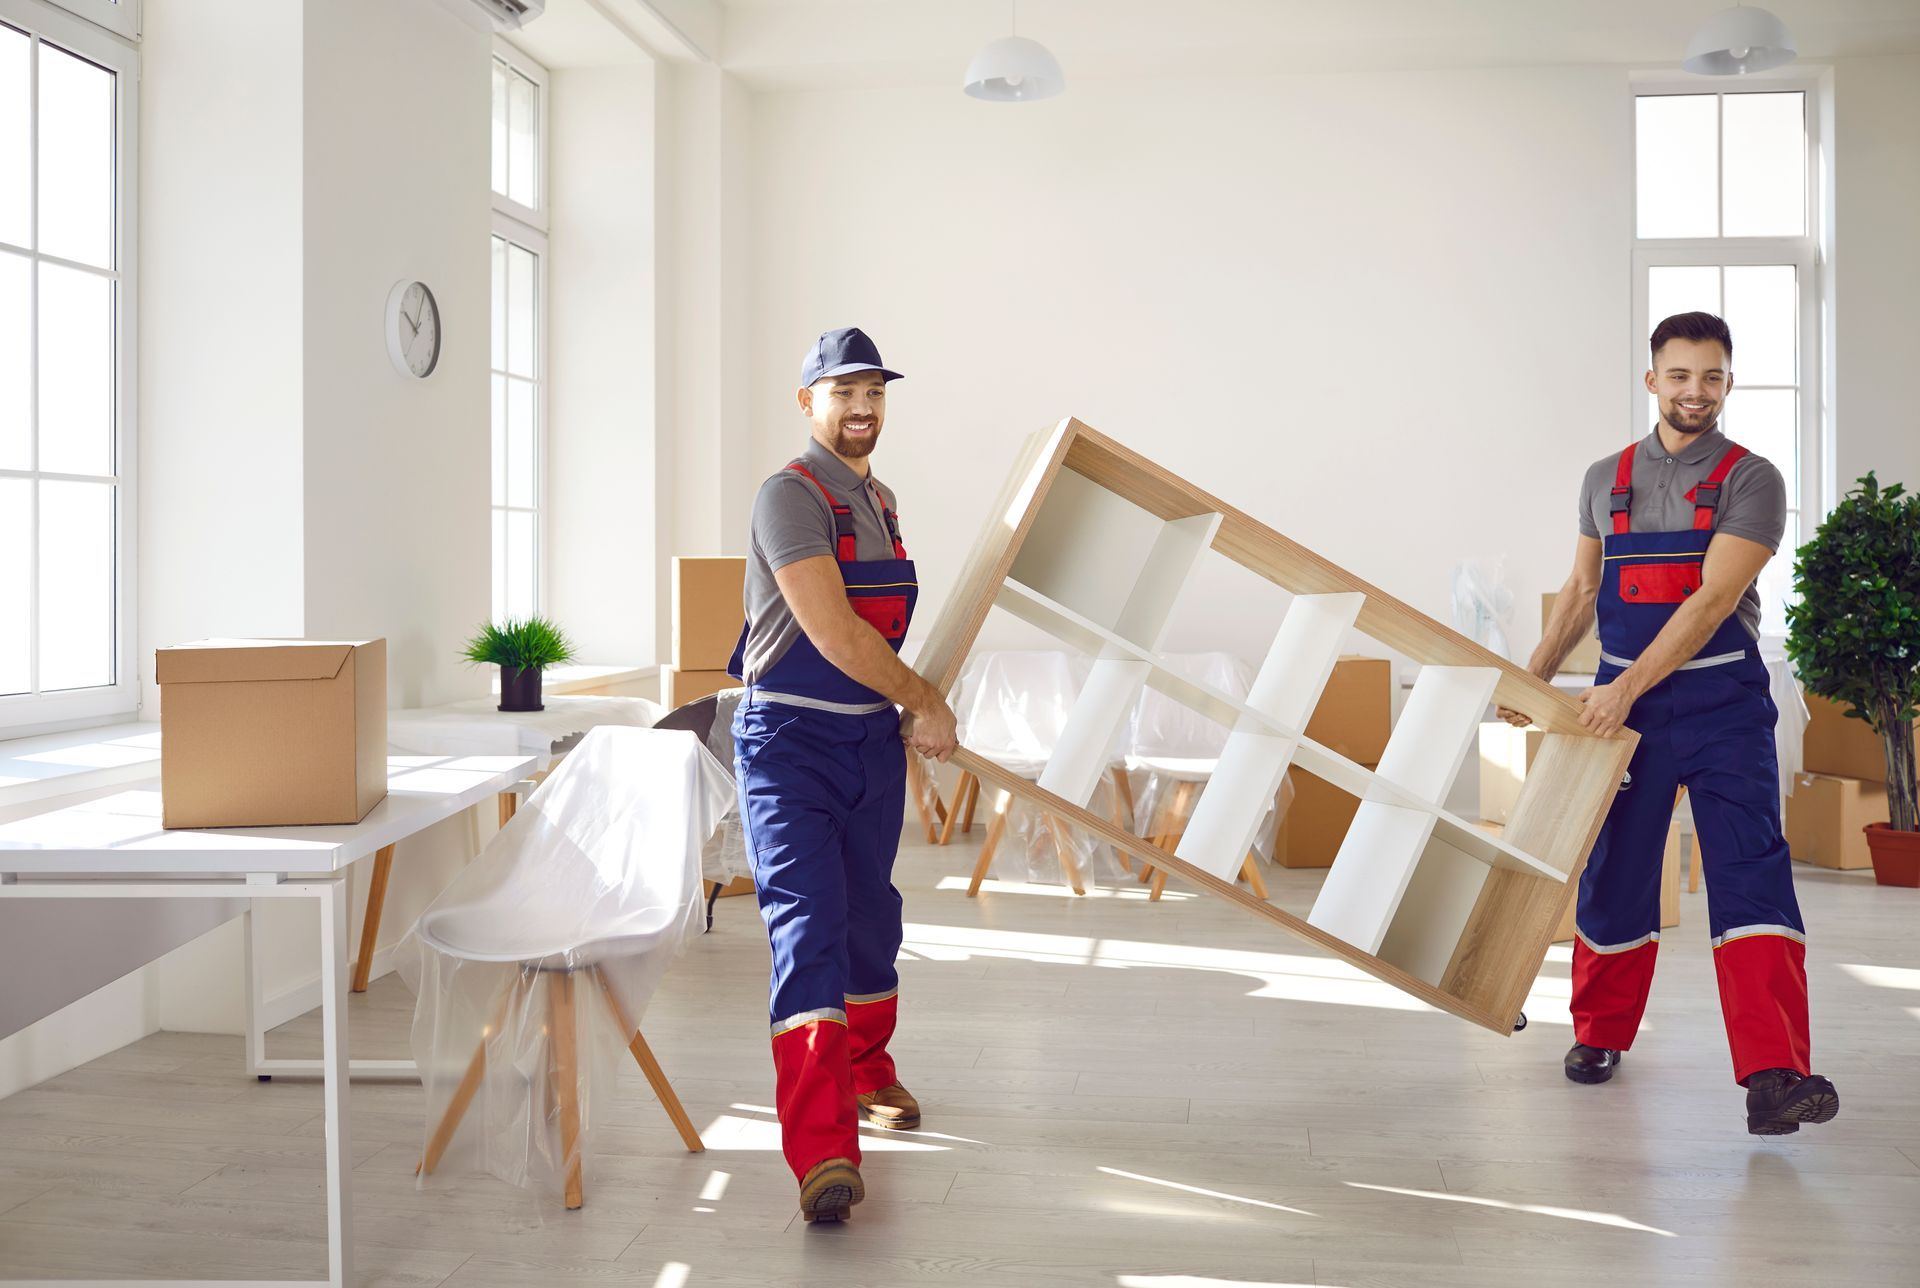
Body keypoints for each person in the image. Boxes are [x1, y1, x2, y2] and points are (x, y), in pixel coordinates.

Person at [1506, 310, 1839, 1135]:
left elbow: (1714, 598)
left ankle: (1773, 1074)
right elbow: (1582, 594)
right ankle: (1599, 1035)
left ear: (1728, 383)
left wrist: (1623, 689)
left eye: (1713, 376)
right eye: (1681, 374)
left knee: (1748, 874)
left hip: (1722, 708)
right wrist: (1531, 680)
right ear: (1653, 379)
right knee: (1617, 871)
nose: (1697, 391)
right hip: (1624, 712)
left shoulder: (1751, 479)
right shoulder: (1603, 477)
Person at [726, 326, 959, 1223]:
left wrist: (908, 708)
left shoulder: (882, 499)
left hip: (868, 741)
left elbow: (879, 638)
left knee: (872, 921)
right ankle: (823, 1152)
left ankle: (868, 1074)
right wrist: (926, 698)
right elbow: (831, 631)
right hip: (789, 743)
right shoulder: (789, 496)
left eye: (876, 394)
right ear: (808, 403)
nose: (863, 410)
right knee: (810, 930)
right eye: (845, 393)